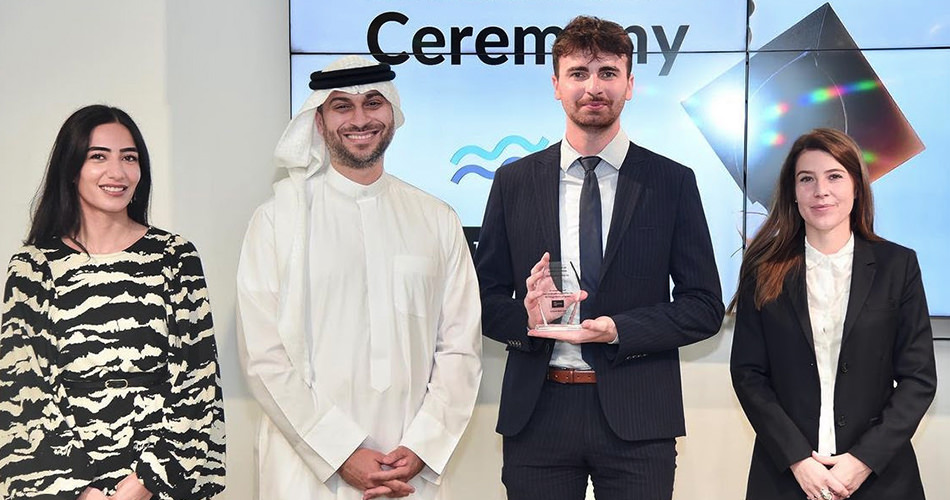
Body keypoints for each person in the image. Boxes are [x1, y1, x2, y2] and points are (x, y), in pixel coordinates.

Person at [474, 15, 724, 500]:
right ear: (556, 85)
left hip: (639, 416)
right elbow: (482, 297)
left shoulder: (671, 182)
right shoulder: (514, 182)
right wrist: (526, 319)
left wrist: (619, 330)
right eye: (578, 73)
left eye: (608, 72)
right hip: (538, 414)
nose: (594, 87)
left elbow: (704, 307)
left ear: (630, 84)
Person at [236, 55, 482, 500]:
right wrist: (341, 452)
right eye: (342, 106)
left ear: (392, 113)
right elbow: (262, 355)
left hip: (409, 471)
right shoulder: (277, 220)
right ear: (319, 121)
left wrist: (422, 447)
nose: (360, 118)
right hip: (309, 470)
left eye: (373, 103)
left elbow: (460, 346)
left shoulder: (437, 219)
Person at [0, 104, 226, 500]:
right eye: (98, 157)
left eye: (129, 158)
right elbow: (23, 387)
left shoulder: (174, 256)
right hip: (66, 481)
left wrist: (144, 485)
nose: (117, 173)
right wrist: (81, 492)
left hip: (159, 479)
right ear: (72, 169)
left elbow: (197, 380)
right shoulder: (33, 266)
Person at [730, 128, 937, 500]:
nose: (820, 190)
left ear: (857, 187)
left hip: (879, 478)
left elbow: (918, 379)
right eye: (806, 179)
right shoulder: (762, 269)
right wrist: (798, 460)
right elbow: (748, 375)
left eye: (834, 176)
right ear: (792, 193)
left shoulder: (898, 265)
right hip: (786, 478)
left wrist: (861, 461)